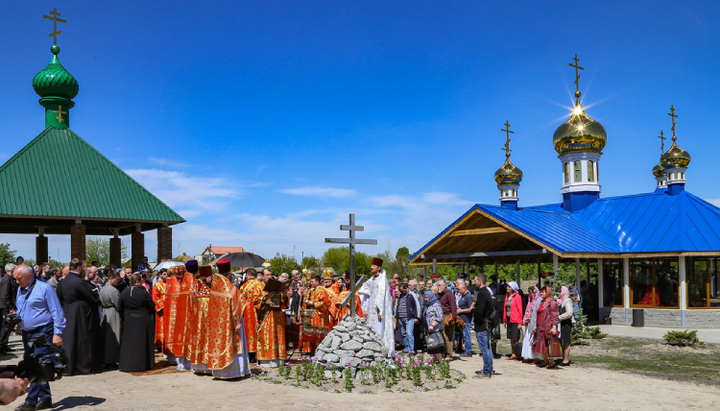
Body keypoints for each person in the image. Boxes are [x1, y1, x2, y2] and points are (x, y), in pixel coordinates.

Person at [12, 265, 65, 411]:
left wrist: (57, 333)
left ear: (30, 275)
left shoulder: (44, 288)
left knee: (35, 365)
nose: (17, 282)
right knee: (36, 364)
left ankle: (31, 401)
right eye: (15, 279)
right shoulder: (20, 289)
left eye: (19, 278)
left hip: (42, 331)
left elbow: (56, 310)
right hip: (26, 332)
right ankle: (46, 398)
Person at [56, 258, 102, 375]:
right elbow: (92, 298)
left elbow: (60, 296)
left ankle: (69, 366)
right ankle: (82, 366)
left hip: (67, 310)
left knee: (70, 338)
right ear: (79, 268)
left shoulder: (64, 281)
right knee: (82, 339)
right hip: (80, 313)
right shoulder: (79, 282)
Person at [207, 259, 251, 379]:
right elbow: (240, 303)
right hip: (231, 324)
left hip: (217, 325)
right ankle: (234, 371)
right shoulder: (230, 288)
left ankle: (219, 372)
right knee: (234, 344)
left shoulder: (214, 287)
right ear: (229, 274)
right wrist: (237, 322)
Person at [118, 274, 155, 372]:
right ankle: (143, 364)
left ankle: (127, 365)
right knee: (142, 343)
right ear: (138, 282)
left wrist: (125, 316)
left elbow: (119, 308)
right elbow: (151, 306)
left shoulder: (123, 293)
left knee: (129, 343)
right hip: (142, 320)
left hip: (129, 320)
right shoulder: (143, 293)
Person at [358, 257, 394, 357]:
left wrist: (381, 312)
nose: (371, 268)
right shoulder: (371, 280)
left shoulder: (383, 281)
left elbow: (384, 298)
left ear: (379, 267)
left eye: (373, 266)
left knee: (379, 329)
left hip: (379, 311)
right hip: (370, 309)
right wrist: (365, 309)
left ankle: (381, 351)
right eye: (371, 266)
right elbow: (365, 293)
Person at [256, 268, 288, 367]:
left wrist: (285, 295)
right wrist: (266, 297)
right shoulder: (258, 286)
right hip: (266, 315)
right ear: (262, 276)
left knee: (278, 338)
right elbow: (255, 302)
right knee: (266, 338)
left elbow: (284, 304)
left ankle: (278, 359)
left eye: (270, 274)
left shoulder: (276, 285)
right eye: (267, 275)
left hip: (277, 316)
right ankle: (266, 361)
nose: (270, 277)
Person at [172, 261, 198, 371]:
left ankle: (182, 363)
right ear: (196, 270)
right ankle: (190, 363)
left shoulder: (183, 282)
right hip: (191, 316)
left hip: (181, 316)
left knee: (181, 337)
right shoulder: (194, 283)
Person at [187, 265, 212, 374]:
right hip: (205, 321)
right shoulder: (206, 289)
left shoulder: (193, 286)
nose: (211, 279)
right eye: (210, 276)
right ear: (206, 276)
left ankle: (197, 365)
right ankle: (205, 366)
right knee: (204, 340)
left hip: (194, 320)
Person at [471, 273, 496, 378]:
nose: (474, 282)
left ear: (480, 281)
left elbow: (480, 311)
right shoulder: (486, 292)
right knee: (487, 348)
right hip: (486, 322)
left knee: (484, 349)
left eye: (475, 280)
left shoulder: (482, 293)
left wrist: (473, 309)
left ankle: (486, 371)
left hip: (482, 324)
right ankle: (489, 369)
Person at [239, 268, 263, 360]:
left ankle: (248, 353)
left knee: (247, 332)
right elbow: (261, 299)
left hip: (245, 311)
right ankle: (257, 352)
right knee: (256, 330)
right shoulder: (260, 284)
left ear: (248, 275)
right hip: (256, 311)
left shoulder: (243, 286)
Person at [533, 285, 559, 369]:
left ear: (547, 293)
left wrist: (554, 326)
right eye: (541, 291)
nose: (541, 293)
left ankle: (552, 361)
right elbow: (538, 314)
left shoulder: (552, 303)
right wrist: (535, 324)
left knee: (551, 344)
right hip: (540, 325)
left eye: (543, 292)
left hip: (548, 326)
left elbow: (554, 315)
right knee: (540, 344)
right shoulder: (541, 302)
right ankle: (545, 360)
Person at [99, 271, 121, 367]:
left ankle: (105, 358)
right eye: (116, 280)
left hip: (105, 312)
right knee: (114, 336)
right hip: (113, 312)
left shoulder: (103, 289)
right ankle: (112, 359)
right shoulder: (113, 290)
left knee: (106, 336)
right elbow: (118, 304)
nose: (118, 282)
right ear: (110, 278)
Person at [394, 283, 419, 353]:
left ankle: (411, 349)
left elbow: (417, 306)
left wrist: (417, 317)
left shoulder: (411, 295)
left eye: (402, 290)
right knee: (404, 333)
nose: (401, 292)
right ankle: (407, 347)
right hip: (401, 318)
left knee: (409, 333)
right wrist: (396, 317)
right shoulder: (400, 296)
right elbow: (397, 306)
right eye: (400, 291)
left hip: (409, 318)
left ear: (406, 288)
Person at [436, 279, 457, 360]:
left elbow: (453, 306)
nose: (438, 287)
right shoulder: (438, 295)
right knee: (441, 336)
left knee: (448, 337)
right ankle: (443, 353)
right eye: (437, 285)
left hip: (447, 316)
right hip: (439, 317)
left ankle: (449, 355)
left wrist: (453, 318)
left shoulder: (449, 294)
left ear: (444, 285)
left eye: (439, 285)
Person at [521, 286, 542, 363]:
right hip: (529, 322)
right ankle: (530, 356)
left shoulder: (538, 300)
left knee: (534, 339)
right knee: (528, 338)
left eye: (532, 293)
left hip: (534, 322)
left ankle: (537, 358)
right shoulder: (530, 300)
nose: (530, 295)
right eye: (529, 294)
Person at [503, 281, 523, 360]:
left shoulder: (517, 297)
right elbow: (505, 308)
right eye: (507, 287)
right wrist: (504, 320)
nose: (507, 288)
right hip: (509, 319)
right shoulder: (507, 296)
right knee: (511, 337)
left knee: (516, 337)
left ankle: (518, 353)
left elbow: (520, 310)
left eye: (509, 287)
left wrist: (520, 322)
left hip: (515, 320)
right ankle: (513, 353)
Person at [422, 290, 444, 362]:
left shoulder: (436, 305)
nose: (425, 299)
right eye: (424, 298)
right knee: (431, 346)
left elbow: (440, 317)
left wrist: (432, 325)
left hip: (435, 329)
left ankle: (439, 361)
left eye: (427, 298)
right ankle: (433, 361)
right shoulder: (427, 305)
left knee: (436, 346)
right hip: (428, 329)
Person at [0, 265, 17, 354]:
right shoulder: (7, 279)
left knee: (8, 327)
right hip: (5, 307)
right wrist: (9, 308)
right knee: (5, 327)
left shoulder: (9, 279)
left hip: (6, 306)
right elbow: (5, 295)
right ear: (12, 270)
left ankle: (4, 345)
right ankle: (1, 346)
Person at [455, 280, 474, 357]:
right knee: (463, 335)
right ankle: (462, 349)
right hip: (461, 319)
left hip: (466, 319)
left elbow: (470, 309)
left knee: (467, 335)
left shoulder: (468, 296)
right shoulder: (462, 296)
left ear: (464, 288)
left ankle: (468, 351)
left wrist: (461, 310)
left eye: (460, 289)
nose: (459, 291)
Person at [557, 287, 575, 367]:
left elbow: (569, 313)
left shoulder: (567, 301)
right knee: (562, 340)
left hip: (566, 323)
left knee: (566, 341)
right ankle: (563, 357)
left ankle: (566, 360)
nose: (558, 293)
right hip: (561, 323)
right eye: (558, 292)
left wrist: (559, 317)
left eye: (560, 292)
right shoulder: (560, 301)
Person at [151, 268, 168, 350]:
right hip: (161, 310)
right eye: (165, 274)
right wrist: (164, 304)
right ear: (160, 275)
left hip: (170, 310)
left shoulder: (171, 284)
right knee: (161, 327)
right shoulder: (157, 285)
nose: (166, 275)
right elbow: (155, 298)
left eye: (167, 274)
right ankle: (160, 344)